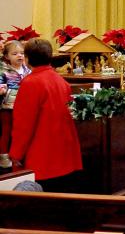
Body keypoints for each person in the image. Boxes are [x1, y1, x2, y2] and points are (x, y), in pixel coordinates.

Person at [9, 38, 83, 192]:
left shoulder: (31, 83)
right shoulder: (60, 80)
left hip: (42, 157)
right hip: (64, 156)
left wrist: (16, 153)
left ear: (27, 59)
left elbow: (24, 124)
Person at [0, 40, 31, 168]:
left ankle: (18, 155)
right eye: (15, 54)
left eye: (22, 53)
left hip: (24, 106)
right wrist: (2, 89)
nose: (19, 56)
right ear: (7, 56)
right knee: (6, 132)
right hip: (8, 107)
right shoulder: (3, 70)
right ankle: (3, 156)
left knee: (20, 132)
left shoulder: (27, 69)